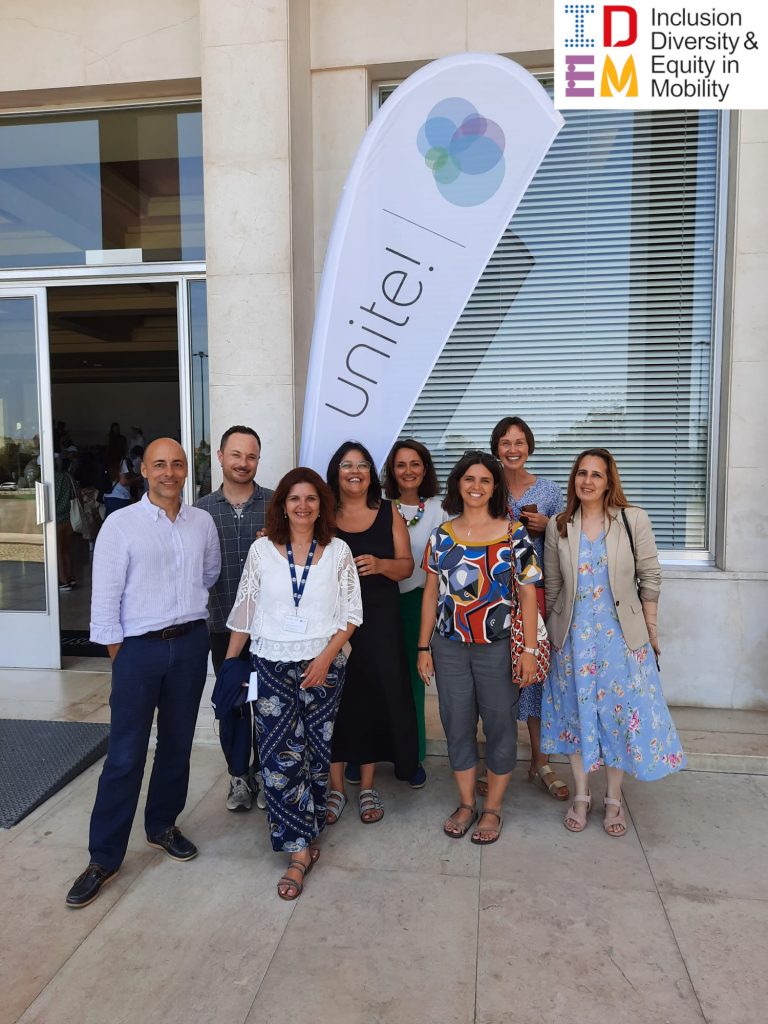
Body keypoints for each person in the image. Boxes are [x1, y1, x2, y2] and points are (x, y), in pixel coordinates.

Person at [65, 438, 221, 908]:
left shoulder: (202, 522)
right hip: (137, 650)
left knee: (176, 745)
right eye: (159, 464)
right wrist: (123, 653)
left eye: (176, 464)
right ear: (144, 471)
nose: (169, 472)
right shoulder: (122, 524)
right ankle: (104, 857)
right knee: (126, 754)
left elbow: (208, 575)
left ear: (186, 471)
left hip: (191, 645)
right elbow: (104, 598)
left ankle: (162, 826)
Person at [224, 468, 362, 899]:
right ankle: (298, 849)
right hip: (270, 662)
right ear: (282, 504)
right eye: (294, 499)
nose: (302, 506)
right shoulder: (263, 550)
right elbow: (245, 611)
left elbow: (352, 615)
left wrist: (324, 659)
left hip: (324, 664)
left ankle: (310, 823)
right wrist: (230, 665)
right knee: (278, 756)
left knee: (317, 752)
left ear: (322, 505)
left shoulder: (338, 551)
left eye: (311, 499)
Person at [541, 448, 686, 836]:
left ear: (609, 481)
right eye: (581, 473)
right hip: (571, 643)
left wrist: (650, 631)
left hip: (621, 641)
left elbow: (650, 576)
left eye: (596, 475)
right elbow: (553, 586)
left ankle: (614, 798)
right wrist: (550, 636)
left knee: (620, 718)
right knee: (576, 716)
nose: (587, 481)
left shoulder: (632, 519)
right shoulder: (559, 525)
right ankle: (582, 794)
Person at [417, 451, 542, 845]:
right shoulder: (442, 535)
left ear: (495, 487)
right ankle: (468, 803)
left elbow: (528, 596)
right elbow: (431, 594)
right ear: (458, 484)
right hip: (449, 647)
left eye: (485, 480)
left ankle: (493, 809)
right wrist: (424, 647)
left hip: (498, 649)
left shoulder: (515, 534)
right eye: (469, 479)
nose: (476, 486)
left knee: (501, 726)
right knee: (456, 724)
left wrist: (529, 651)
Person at [325, 441, 419, 825]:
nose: (355, 471)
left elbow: (408, 566)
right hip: (330, 622)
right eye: (347, 464)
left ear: (371, 474)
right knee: (333, 699)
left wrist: (381, 565)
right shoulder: (322, 513)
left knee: (372, 698)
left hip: (379, 620)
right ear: (336, 471)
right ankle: (334, 789)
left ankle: (366, 786)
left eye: (363, 464)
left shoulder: (389, 513)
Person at [487, 416, 569, 802]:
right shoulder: (484, 487)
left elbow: (572, 538)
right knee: (494, 682)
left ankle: (541, 760)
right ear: (496, 448)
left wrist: (549, 525)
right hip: (489, 597)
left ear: (530, 446)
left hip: (534, 596)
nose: (513, 449)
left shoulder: (550, 492)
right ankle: (495, 760)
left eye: (519, 442)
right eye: (505, 442)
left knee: (535, 675)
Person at [196, 425, 273, 812]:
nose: (244, 463)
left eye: (252, 456)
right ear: (221, 457)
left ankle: (267, 772)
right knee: (234, 702)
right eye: (237, 455)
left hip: (272, 630)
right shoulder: (200, 511)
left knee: (270, 704)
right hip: (221, 627)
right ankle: (239, 776)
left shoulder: (278, 505)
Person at [380, 438, 447, 788]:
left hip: (419, 604)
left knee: (412, 683)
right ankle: (371, 753)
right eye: (401, 464)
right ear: (392, 470)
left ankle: (413, 755)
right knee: (375, 681)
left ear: (425, 469)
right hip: (378, 604)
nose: (408, 471)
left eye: (415, 464)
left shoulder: (440, 509)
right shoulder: (378, 506)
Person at [54, 462, 76, 591]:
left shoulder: (50, 478)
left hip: (56, 520)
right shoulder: (67, 477)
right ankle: (70, 577)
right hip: (69, 518)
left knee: (58, 552)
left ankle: (63, 581)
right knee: (66, 550)